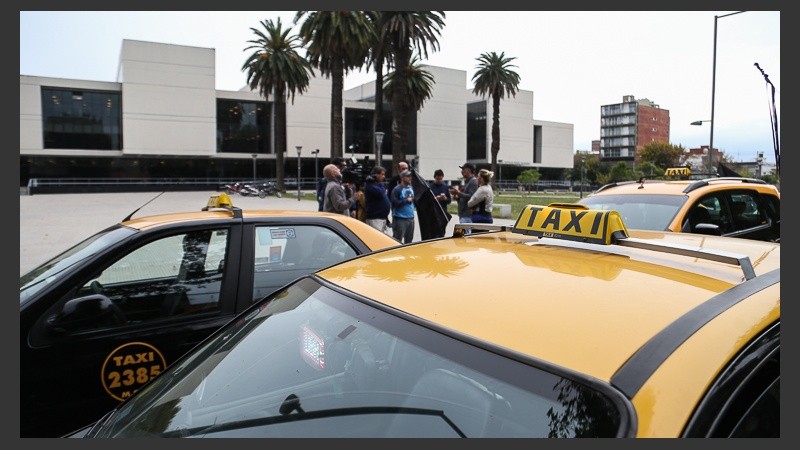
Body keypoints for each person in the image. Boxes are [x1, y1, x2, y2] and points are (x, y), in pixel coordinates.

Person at [449, 162, 479, 230]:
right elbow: (464, 196)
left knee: (467, 237)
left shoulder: (473, 181)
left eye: (463, 169)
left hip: (467, 214)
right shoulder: (467, 181)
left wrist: (458, 193)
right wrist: (457, 197)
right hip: (463, 214)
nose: (461, 171)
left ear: (468, 170)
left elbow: (471, 197)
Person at [390, 169, 415, 244]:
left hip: (410, 218)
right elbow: (394, 203)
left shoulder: (411, 188)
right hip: (400, 219)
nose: (410, 178)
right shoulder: (397, 189)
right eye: (408, 176)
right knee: (397, 241)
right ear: (403, 177)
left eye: (411, 176)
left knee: (409, 242)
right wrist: (406, 201)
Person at [364, 165, 391, 232]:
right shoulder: (370, 185)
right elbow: (380, 194)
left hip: (382, 218)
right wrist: (381, 184)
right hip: (375, 219)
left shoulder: (378, 184)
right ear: (376, 174)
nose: (384, 177)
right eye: (382, 174)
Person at [428, 169, 452, 238]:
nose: (439, 181)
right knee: (433, 232)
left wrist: (445, 199)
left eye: (441, 179)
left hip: (443, 212)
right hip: (433, 213)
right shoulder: (430, 187)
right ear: (435, 177)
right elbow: (427, 200)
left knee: (442, 232)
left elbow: (449, 200)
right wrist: (435, 199)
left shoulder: (445, 187)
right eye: (437, 179)